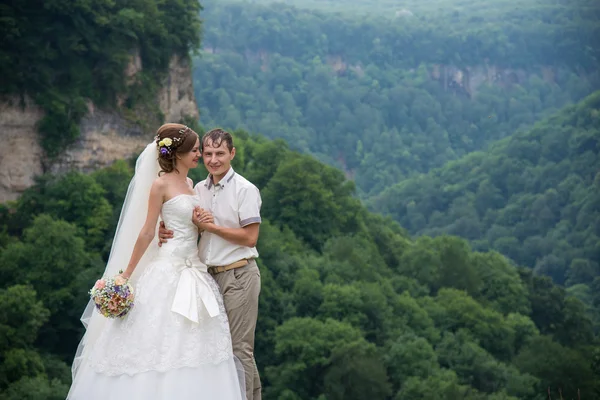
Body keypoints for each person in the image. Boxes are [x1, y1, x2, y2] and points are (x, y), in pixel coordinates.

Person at [67, 124, 245, 400]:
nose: (200, 155)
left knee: (196, 345)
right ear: (179, 154)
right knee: (154, 343)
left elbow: (188, 224)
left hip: (195, 271)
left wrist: (199, 225)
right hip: (167, 270)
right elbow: (147, 231)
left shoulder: (190, 185)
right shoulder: (160, 184)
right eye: (196, 150)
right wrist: (126, 274)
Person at [158, 128, 262, 400]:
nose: (214, 159)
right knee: (215, 349)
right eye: (208, 153)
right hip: (206, 278)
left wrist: (213, 227)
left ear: (232, 153)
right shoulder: (197, 189)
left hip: (239, 274)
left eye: (220, 153)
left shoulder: (246, 190)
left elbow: (250, 238)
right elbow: (187, 223)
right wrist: (163, 227)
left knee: (240, 350)